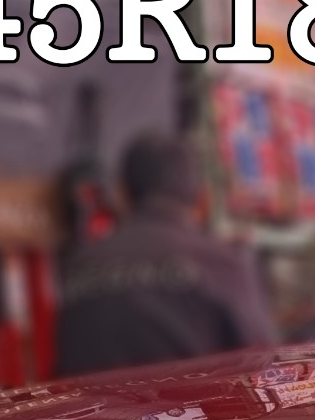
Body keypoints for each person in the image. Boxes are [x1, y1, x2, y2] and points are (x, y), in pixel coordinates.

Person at [54, 133, 277, 375]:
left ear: (121, 194)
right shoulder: (224, 264)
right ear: (201, 198)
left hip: (98, 401)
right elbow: (262, 366)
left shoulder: (78, 265)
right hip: (194, 400)